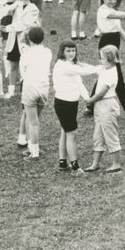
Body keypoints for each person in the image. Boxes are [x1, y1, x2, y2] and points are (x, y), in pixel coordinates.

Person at [52, 41, 100, 175]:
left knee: (65, 132)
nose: (71, 53)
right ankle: (75, 167)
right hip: (64, 103)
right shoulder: (64, 65)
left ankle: (62, 162)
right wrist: (99, 68)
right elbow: (83, 71)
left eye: (73, 50)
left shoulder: (70, 65)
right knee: (71, 134)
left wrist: (88, 99)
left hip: (71, 103)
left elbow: (79, 83)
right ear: (62, 52)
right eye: (68, 51)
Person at [82, 45, 125, 173]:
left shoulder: (111, 73)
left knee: (110, 133)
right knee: (98, 134)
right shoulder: (104, 69)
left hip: (107, 104)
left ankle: (116, 164)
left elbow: (102, 92)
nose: (100, 60)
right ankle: (95, 163)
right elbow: (91, 68)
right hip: (100, 106)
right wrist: (76, 63)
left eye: (102, 58)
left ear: (110, 59)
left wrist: (90, 100)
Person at [16, 26, 51, 161]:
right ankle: (32, 147)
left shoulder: (26, 54)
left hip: (30, 87)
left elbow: (23, 72)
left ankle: (34, 152)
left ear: (29, 39)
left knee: (33, 122)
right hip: (44, 87)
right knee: (35, 120)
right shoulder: (47, 52)